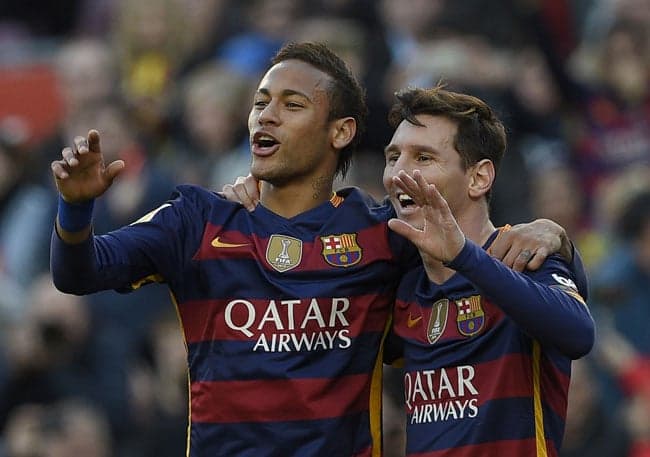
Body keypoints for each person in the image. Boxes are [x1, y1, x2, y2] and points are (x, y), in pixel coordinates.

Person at [50, 42, 572, 456]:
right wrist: (75, 209)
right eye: (259, 103)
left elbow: (470, 252)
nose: (265, 117)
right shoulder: (196, 220)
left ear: (341, 131)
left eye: (291, 105)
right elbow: (79, 272)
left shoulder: (386, 237)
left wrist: (554, 233)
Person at [382, 86, 594, 455]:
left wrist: (465, 256)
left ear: (478, 178)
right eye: (393, 157)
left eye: (424, 158)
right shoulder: (404, 284)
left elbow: (578, 334)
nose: (399, 173)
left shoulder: (523, 255)